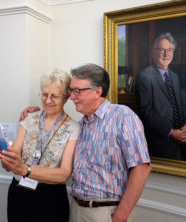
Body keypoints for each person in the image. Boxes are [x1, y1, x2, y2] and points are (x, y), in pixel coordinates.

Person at [20, 63, 151, 222]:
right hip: (75, 209)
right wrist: (39, 113)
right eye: (71, 91)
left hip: (106, 212)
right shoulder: (80, 125)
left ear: (97, 91)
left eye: (77, 91)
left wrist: (121, 216)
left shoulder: (123, 117)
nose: (72, 97)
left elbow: (142, 167)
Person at [0, 69, 80, 222]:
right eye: (44, 94)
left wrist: (25, 169)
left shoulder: (73, 128)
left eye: (54, 96)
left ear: (66, 97)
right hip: (19, 192)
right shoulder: (29, 119)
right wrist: (4, 155)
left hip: (50, 198)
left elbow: (64, 174)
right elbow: (10, 165)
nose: (48, 100)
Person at [135, 32, 186, 164]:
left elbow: (181, 106)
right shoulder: (145, 76)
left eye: (170, 50)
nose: (166, 54)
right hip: (162, 134)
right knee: (176, 163)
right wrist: (171, 132)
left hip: (182, 130)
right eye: (162, 50)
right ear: (153, 52)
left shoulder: (174, 77)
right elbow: (147, 113)